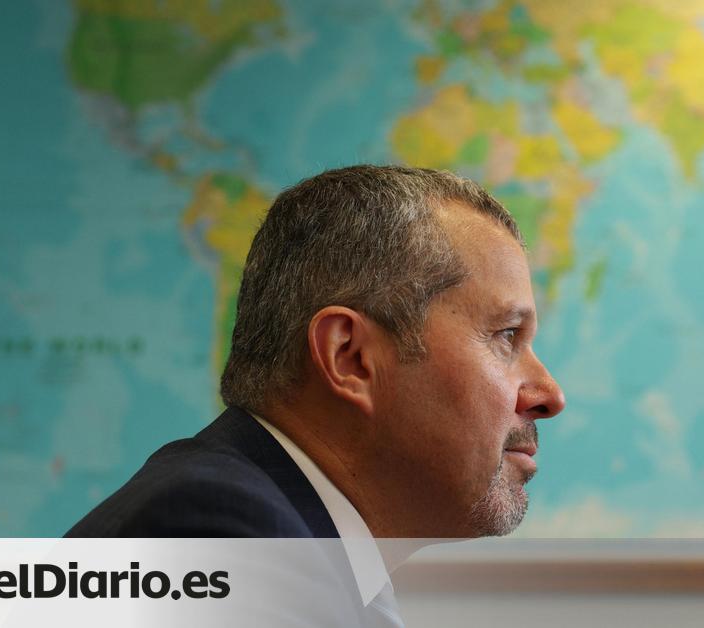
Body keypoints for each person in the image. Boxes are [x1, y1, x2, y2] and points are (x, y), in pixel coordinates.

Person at [66, 165, 566, 623]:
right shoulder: (221, 531)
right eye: (506, 336)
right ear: (350, 357)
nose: (549, 395)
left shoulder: (291, 539)